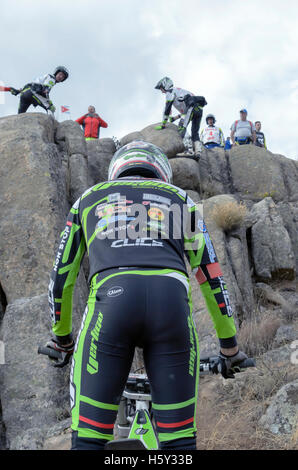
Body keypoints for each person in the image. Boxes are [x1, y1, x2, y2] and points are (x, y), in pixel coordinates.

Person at [46, 140, 247, 451]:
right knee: (179, 444)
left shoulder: (89, 199)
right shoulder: (180, 199)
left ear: (118, 169)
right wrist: (230, 348)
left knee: (88, 440)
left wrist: (62, 339)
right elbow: (211, 278)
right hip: (171, 308)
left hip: (111, 305)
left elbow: (61, 280)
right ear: (161, 171)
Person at [154, 77, 207, 158]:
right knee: (194, 132)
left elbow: (167, 109)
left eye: (161, 88)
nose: (162, 91)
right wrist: (175, 118)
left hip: (191, 108)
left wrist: (163, 124)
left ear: (165, 85)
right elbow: (184, 112)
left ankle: (189, 150)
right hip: (199, 109)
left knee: (181, 127)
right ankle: (198, 152)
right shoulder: (179, 91)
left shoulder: (170, 92)